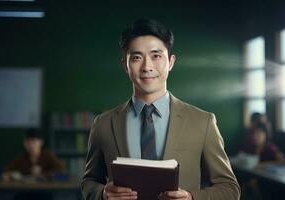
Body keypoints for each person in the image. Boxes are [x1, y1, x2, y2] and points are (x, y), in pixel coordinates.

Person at [81, 18, 240, 200]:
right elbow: (89, 182)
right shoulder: (103, 124)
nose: (147, 67)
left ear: (171, 62)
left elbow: (230, 189)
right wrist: (101, 194)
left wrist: (191, 198)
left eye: (156, 56)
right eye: (137, 57)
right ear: (125, 65)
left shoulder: (203, 122)